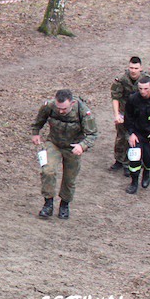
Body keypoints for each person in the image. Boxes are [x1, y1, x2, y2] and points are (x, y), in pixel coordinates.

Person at [31, 89, 98, 219]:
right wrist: (35, 133)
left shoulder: (83, 111)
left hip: (73, 147)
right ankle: (48, 204)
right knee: (47, 171)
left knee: (69, 178)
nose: (61, 111)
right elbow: (39, 120)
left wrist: (82, 146)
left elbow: (93, 134)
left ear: (72, 103)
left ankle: (64, 204)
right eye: (59, 108)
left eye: (64, 109)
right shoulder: (49, 106)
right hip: (53, 143)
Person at [109, 56, 143, 175]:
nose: (133, 71)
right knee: (121, 137)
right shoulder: (121, 79)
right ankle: (119, 160)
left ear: (141, 68)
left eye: (136, 68)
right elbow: (115, 97)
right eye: (131, 68)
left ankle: (131, 162)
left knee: (135, 138)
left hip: (139, 114)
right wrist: (116, 114)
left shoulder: (145, 80)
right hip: (124, 112)